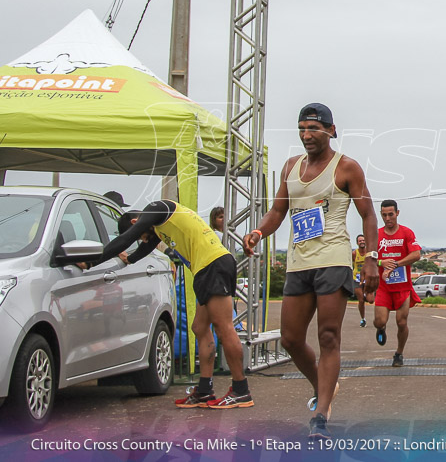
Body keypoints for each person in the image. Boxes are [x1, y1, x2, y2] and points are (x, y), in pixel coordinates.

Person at [242, 103, 379, 439]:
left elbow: (368, 215)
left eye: (314, 129)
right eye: (302, 129)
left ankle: (321, 414)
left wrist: (372, 257)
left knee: (328, 336)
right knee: (290, 339)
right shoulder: (291, 166)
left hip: (332, 259)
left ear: (331, 131)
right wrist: (260, 231)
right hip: (298, 262)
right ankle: (323, 387)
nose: (307, 136)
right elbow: (277, 210)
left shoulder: (346, 168)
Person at [97, 200, 252, 409]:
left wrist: (92, 261)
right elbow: (146, 247)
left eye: (141, 234)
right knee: (199, 327)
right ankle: (205, 391)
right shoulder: (159, 227)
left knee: (224, 328)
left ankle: (241, 390)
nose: (145, 239)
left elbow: (125, 239)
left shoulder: (157, 209)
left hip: (213, 264)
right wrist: (130, 259)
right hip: (205, 268)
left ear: (137, 222)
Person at [374, 199, 422, 367]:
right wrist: (381, 263)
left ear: (397, 213)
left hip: (403, 287)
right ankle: (381, 329)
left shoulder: (406, 233)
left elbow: (416, 254)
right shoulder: (376, 234)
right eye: (384, 215)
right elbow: (369, 257)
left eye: (391, 214)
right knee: (379, 321)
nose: (388, 218)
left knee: (402, 322)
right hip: (383, 287)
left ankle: (399, 353)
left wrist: (395, 264)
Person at [352, 235, 373, 327]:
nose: (362, 242)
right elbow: (352, 264)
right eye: (360, 241)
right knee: (361, 301)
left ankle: (366, 293)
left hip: (368, 278)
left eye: (363, 240)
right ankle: (363, 319)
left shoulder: (369, 253)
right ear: (357, 243)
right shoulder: (354, 253)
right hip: (356, 278)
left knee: (371, 300)